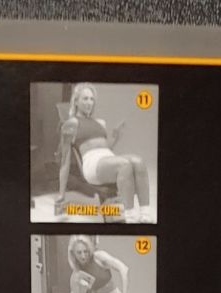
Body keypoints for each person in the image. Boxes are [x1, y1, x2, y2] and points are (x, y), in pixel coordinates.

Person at [57, 83, 153, 223]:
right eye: (85, 98)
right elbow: (65, 160)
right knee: (124, 165)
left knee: (139, 162)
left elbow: (106, 149)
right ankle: (131, 217)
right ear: (76, 101)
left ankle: (145, 214)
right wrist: (61, 194)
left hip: (107, 159)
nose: (89, 102)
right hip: (92, 165)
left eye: (92, 99)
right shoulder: (71, 124)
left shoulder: (100, 122)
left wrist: (116, 137)